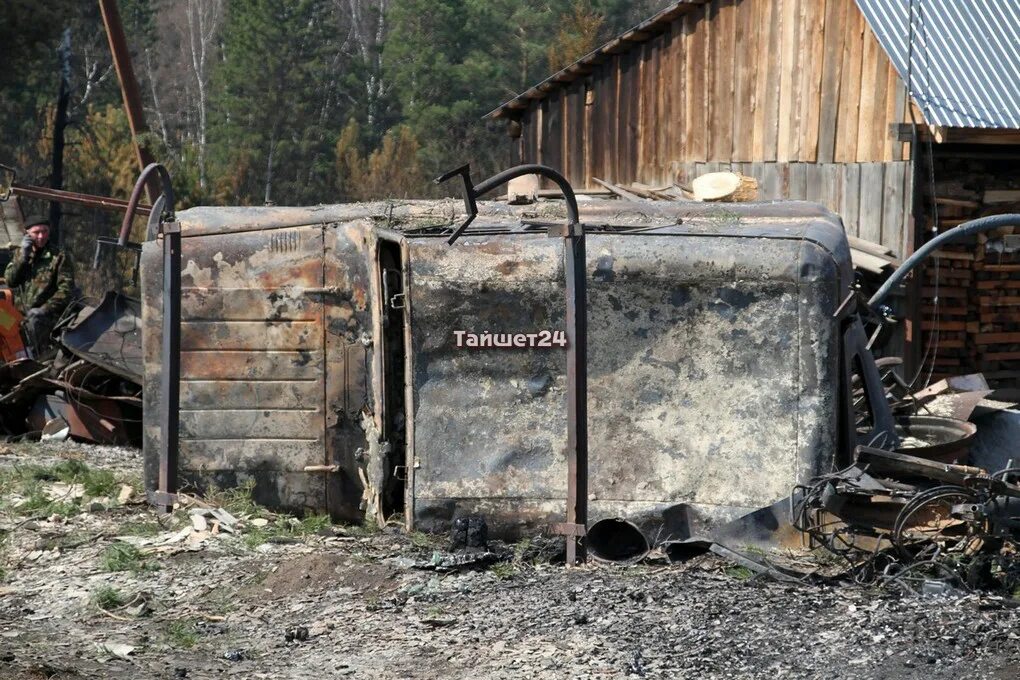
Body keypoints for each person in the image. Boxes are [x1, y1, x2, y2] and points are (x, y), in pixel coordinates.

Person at [3, 216, 74, 354]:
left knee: (32, 340)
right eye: (36, 232)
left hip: (45, 317)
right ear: (27, 233)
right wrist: (23, 257)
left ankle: (32, 363)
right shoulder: (20, 253)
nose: (41, 236)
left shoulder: (59, 256)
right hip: (18, 316)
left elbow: (66, 290)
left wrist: (44, 309)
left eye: (45, 231)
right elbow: (10, 281)